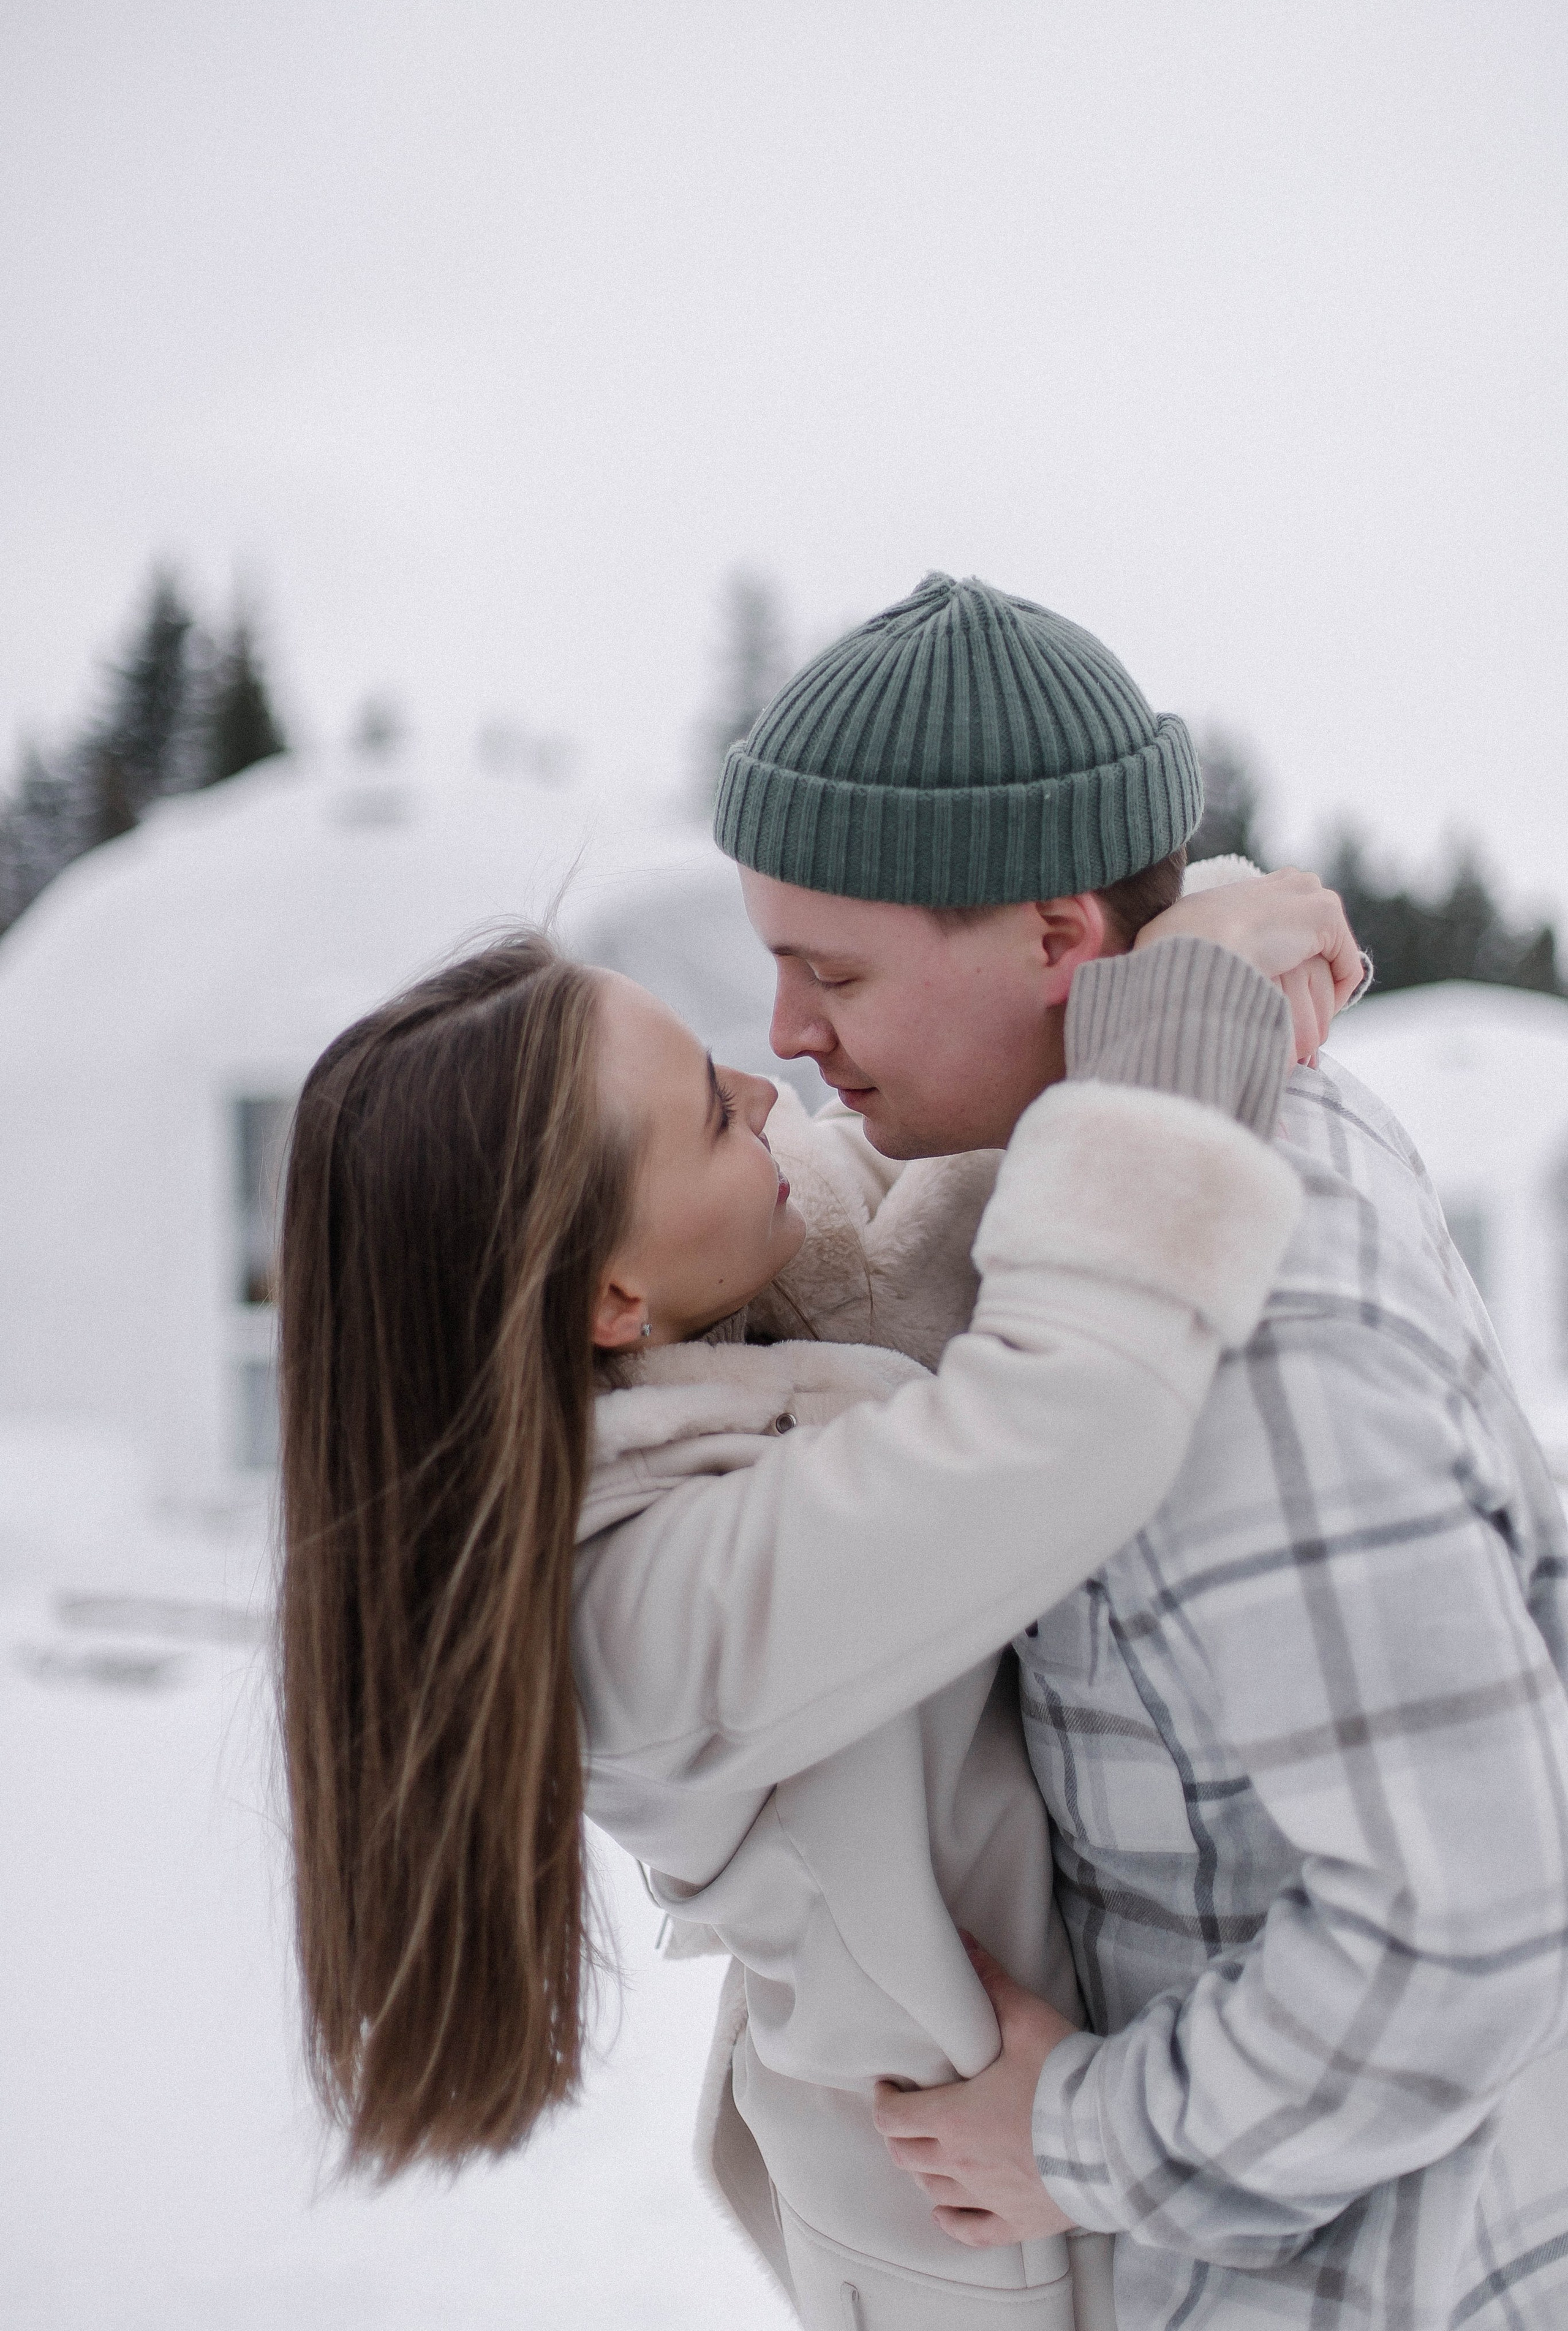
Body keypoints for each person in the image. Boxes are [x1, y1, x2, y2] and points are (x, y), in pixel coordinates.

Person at [274, 866, 1353, 2329]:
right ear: (609, 1300)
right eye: (712, 1116)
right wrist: (1194, 986)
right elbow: (1071, 1418)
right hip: (980, 2234)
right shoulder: (644, 1626)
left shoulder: (695, 1313)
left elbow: (957, 1173)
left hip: (1109, 2142)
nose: (769, 1090)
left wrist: (1191, 916)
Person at [709, 572, 1568, 2330]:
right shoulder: (1142, 1172)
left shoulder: (1255, 1329)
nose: (787, 1035)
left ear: (1056, 939)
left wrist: (1083, 2138)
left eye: (833, 972)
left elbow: (1463, 1927)